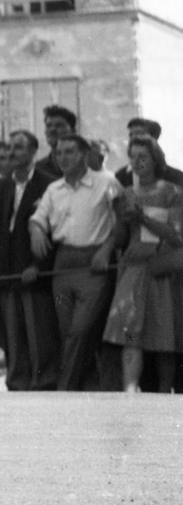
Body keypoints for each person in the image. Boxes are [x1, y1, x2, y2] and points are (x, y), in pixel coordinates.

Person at [30, 133, 120, 392]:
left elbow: (122, 224)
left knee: (80, 330)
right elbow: (38, 218)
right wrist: (36, 229)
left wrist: (106, 249)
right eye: (59, 152)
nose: (63, 158)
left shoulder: (106, 182)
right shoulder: (54, 189)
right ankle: (90, 388)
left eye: (69, 152)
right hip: (63, 264)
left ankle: (64, 389)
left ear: (83, 154)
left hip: (93, 265)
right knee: (67, 330)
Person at [103, 133, 183, 393]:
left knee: (163, 333)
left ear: (155, 158)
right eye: (133, 157)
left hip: (161, 266)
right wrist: (122, 220)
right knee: (129, 331)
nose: (138, 162)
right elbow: (121, 236)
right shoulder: (126, 193)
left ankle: (164, 391)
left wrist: (145, 218)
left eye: (143, 157)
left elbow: (176, 235)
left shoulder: (171, 191)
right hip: (134, 267)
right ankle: (130, 389)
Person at [0, 130, 58, 391]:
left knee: (39, 333)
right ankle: (16, 385)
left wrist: (39, 266)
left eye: (19, 147)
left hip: (34, 271)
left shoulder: (49, 183)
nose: (13, 152)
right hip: (7, 271)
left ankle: (44, 384)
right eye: (11, 147)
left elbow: (54, 232)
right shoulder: (2, 185)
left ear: (33, 151)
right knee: (13, 335)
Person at [36, 105, 78, 181]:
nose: (52, 130)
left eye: (59, 126)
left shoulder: (83, 166)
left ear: (73, 131)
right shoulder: (38, 169)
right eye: (48, 126)